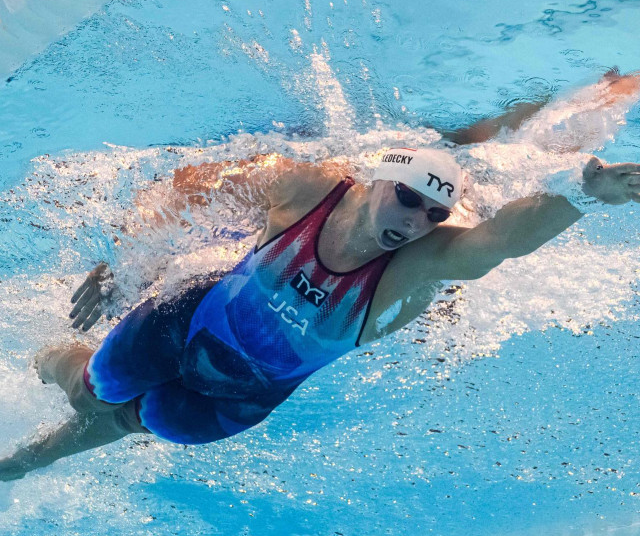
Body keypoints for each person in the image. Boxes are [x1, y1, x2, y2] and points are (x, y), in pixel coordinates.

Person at [1, 71, 639, 482]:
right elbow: (197, 184)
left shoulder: (418, 265)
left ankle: (26, 463)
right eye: (409, 199)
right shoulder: (309, 187)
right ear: (374, 179)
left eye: (434, 213)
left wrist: (583, 197)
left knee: (149, 419)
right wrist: (127, 262)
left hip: (250, 392)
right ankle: (47, 360)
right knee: (96, 388)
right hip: (190, 318)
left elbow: (499, 242)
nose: (416, 221)